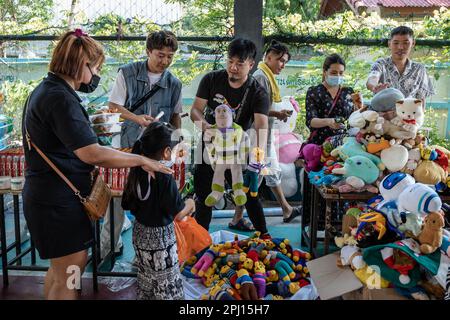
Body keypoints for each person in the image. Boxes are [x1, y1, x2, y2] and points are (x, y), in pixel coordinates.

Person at [21, 29, 173, 300]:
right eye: (96, 68)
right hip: (58, 203)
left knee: (59, 273)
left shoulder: (47, 90)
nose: (96, 76)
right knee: (71, 274)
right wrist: (141, 159)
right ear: (82, 64)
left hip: (50, 198)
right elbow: (92, 154)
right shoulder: (60, 98)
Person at [102, 30, 183, 258]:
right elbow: (113, 106)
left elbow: (176, 116)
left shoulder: (174, 83)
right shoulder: (127, 73)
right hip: (126, 146)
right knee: (118, 196)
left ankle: (146, 254)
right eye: (160, 55)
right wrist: (137, 119)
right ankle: (108, 246)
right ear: (148, 51)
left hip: (157, 153)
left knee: (153, 202)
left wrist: (175, 144)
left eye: (170, 56)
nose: (164, 61)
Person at [190, 38, 270, 235]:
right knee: (203, 195)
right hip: (210, 145)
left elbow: (261, 127)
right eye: (230, 61)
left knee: (249, 194)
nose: (233, 67)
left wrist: (257, 163)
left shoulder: (258, 92)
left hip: (238, 148)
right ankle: (201, 241)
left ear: (251, 65)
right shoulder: (211, 79)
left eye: (240, 64)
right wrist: (206, 126)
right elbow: (195, 110)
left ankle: (265, 236)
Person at [121, 122, 195, 300]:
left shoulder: (136, 170)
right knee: (167, 286)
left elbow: (126, 204)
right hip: (161, 241)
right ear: (166, 152)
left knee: (147, 282)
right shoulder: (165, 176)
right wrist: (191, 204)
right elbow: (178, 213)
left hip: (140, 237)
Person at [233, 40, 302, 225]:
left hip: (264, 134)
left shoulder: (267, 77)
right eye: (280, 60)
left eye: (285, 61)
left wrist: (277, 114)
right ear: (268, 57)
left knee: (269, 172)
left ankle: (286, 209)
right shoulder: (261, 77)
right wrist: (278, 113)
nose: (283, 65)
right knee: (256, 174)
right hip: (257, 136)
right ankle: (238, 217)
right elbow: (255, 109)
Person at [366, 26, 435, 108]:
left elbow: (421, 100)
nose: (400, 47)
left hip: (408, 118)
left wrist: (420, 118)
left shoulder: (419, 69)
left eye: (406, 43)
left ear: (413, 43)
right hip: (382, 118)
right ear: (389, 44)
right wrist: (375, 87)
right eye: (396, 43)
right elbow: (372, 79)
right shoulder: (380, 64)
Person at [305, 53, 355, 147]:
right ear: (325, 71)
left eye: (341, 73)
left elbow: (354, 118)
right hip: (320, 143)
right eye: (334, 73)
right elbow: (311, 121)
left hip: (344, 143)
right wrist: (329, 121)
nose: (338, 76)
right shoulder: (314, 91)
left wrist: (359, 106)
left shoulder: (348, 92)